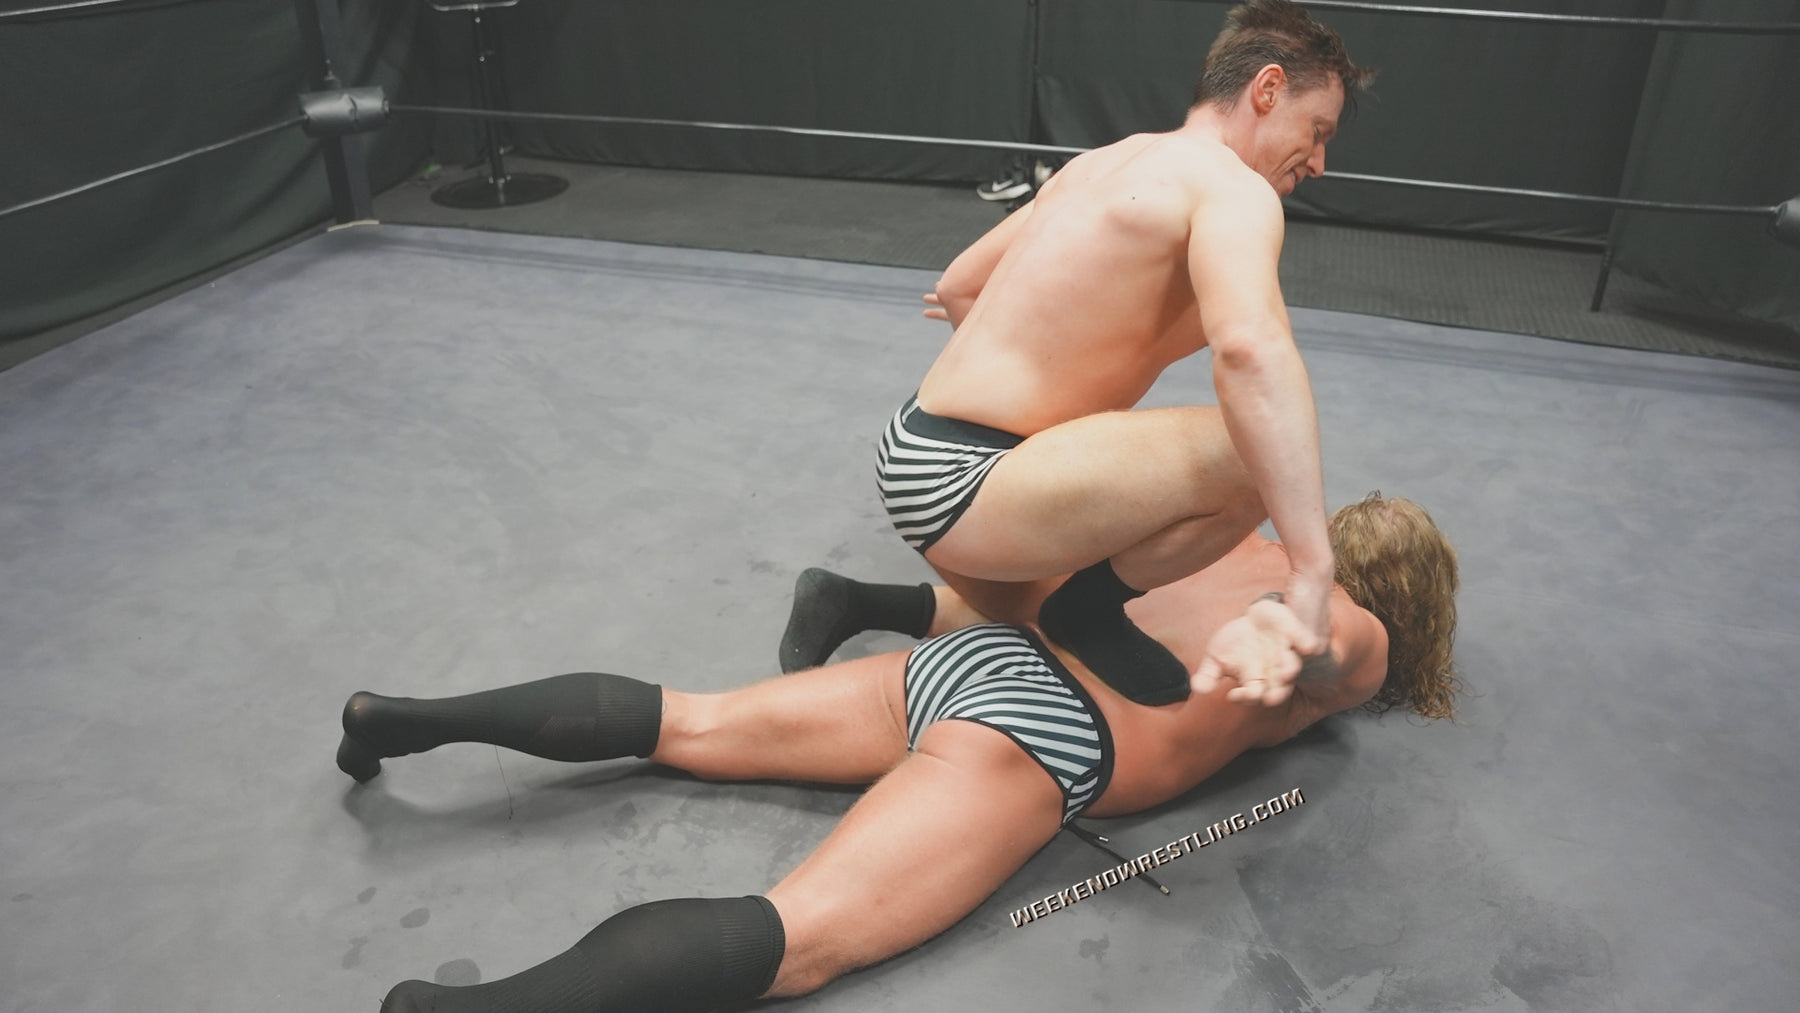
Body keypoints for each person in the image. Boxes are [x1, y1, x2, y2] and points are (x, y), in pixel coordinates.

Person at [337, 492, 1460, 1013]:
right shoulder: (1354, 628)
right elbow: (1336, 640)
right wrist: (1290, 635)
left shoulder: (1236, 539)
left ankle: (401, 713)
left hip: (975, 663)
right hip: (1041, 737)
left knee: (693, 719)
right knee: (801, 937)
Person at [872, 0, 1375, 708]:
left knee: (1028, 621)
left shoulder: (1105, 160)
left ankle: (869, 599)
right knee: (1254, 453)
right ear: (1267, 89)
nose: (1318, 162)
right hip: (969, 483)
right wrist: (1311, 571)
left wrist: (1033, 397)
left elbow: (960, 284)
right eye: (1317, 131)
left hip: (915, 450)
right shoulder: (1230, 187)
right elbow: (1249, 350)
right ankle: (1087, 609)